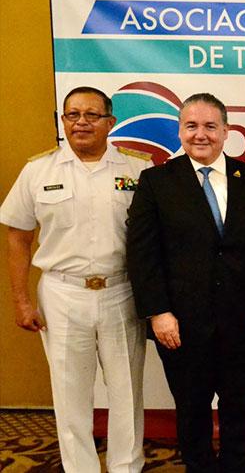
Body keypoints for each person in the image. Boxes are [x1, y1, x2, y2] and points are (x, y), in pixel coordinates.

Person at [1, 86, 150, 472]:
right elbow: (18, 237)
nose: (81, 123)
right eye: (72, 115)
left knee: (127, 392)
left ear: (110, 122)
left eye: (91, 115)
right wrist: (21, 300)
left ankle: (126, 468)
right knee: (70, 396)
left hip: (122, 291)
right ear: (62, 121)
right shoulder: (39, 170)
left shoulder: (137, 169)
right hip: (62, 294)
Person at [126, 93, 245, 472]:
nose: (200, 134)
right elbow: (142, 252)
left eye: (210, 126)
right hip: (181, 323)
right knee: (192, 410)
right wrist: (158, 312)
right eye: (191, 126)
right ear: (180, 131)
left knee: (239, 408)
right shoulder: (156, 181)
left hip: (244, 321)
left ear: (226, 131)